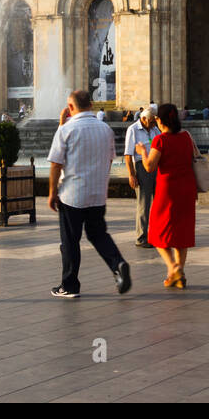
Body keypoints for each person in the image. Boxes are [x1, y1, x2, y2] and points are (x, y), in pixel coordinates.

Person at [46, 89, 130, 299]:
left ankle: (70, 285)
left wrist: (51, 192)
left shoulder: (66, 130)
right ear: (91, 105)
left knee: (70, 241)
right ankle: (117, 263)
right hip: (96, 193)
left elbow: (56, 163)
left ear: (71, 107)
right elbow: (110, 159)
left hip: (72, 195)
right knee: (98, 234)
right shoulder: (105, 129)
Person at [134, 103, 199, 288]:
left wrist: (142, 152)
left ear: (160, 121)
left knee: (156, 231)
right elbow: (193, 156)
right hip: (187, 189)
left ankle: (173, 267)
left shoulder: (160, 140)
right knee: (181, 232)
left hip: (168, 190)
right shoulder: (186, 136)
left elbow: (149, 166)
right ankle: (178, 274)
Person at [123, 104, 161, 247]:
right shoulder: (133, 129)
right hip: (141, 167)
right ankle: (141, 237)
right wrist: (132, 175)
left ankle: (156, 234)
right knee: (144, 204)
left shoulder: (155, 129)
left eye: (154, 122)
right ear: (144, 119)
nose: (153, 124)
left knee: (158, 202)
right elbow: (128, 155)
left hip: (155, 165)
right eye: (151, 121)